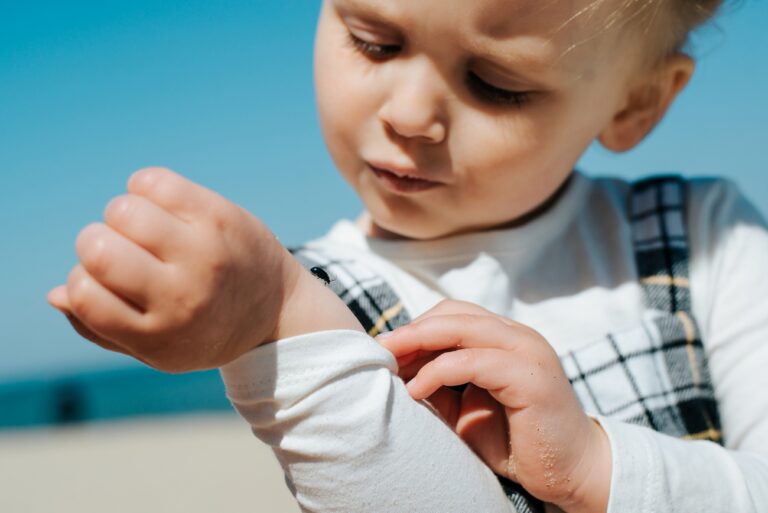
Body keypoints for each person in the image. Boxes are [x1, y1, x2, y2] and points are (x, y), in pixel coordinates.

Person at [47, 0, 768, 511]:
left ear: (635, 103)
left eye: (496, 83)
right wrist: (273, 321)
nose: (410, 114)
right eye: (374, 41)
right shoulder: (312, 305)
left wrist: (594, 467)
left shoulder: (705, 236)